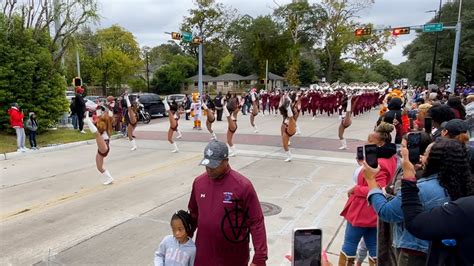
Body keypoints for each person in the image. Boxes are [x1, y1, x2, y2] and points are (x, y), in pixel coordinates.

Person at [188, 140, 268, 266]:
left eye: (214, 165)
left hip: (233, 257)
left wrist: (260, 257)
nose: (209, 169)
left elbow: (256, 221)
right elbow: (193, 214)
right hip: (203, 255)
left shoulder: (243, 186)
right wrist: (184, 236)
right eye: (206, 165)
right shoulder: (198, 183)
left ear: (226, 161)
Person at [339, 123, 398, 266]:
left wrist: (356, 189)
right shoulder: (390, 158)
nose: (367, 143)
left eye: (370, 141)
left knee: (350, 243)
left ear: (381, 143)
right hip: (374, 211)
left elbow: (379, 187)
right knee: (373, 244)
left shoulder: (380, 163)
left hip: (363, 209)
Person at [400, 153, 474, 265]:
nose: (421, 157)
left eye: (426, 154)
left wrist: (408, 179)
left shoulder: (465, 208)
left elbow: (415, 223)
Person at [84, 107, 114, 185]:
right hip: (101, 149)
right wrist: (99, 107)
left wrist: (88, 119)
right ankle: (109, 178)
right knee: (99, 167)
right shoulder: (101, 122)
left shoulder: (106, 124)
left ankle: (87, 120)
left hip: (104, 146)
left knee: (97, 134)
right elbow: (100, 115)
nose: (101, 114)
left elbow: (110, 113)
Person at [279, 93, 297, 162]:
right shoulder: (284, 115)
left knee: (291, 117)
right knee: (284, 145)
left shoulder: (292, 112)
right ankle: (289, 156)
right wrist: (284, 97)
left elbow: (290, 102)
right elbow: (280, 105)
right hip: (286, 130)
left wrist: (287, 100)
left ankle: (289, 156)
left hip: (291, 128)